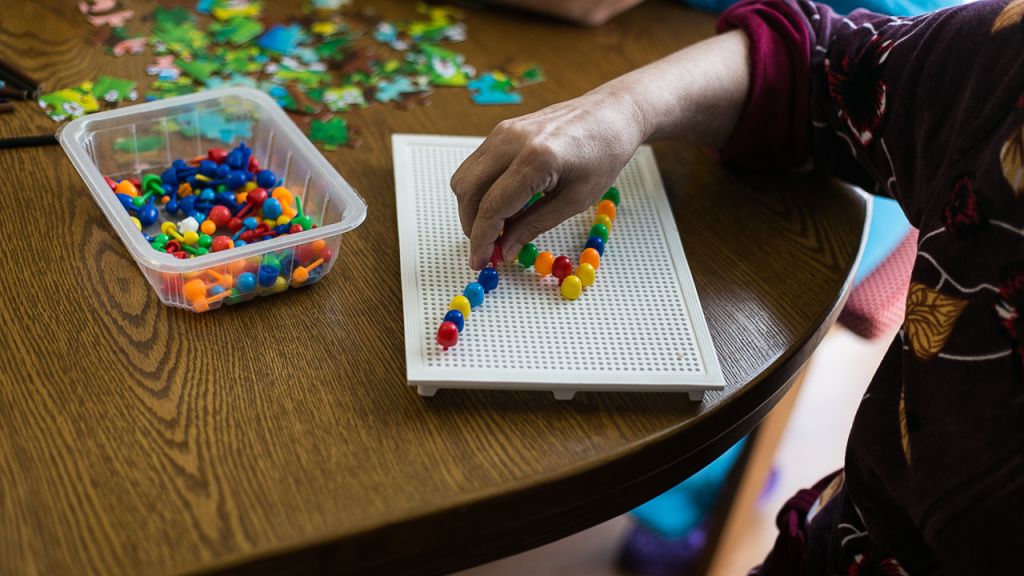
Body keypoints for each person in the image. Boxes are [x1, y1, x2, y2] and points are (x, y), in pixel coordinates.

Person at [450, 0, 1024, 572]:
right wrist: (622, 108)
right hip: (829, 541)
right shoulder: (1007, 66)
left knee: (728, 345)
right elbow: (817, 67)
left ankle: (697, 506)